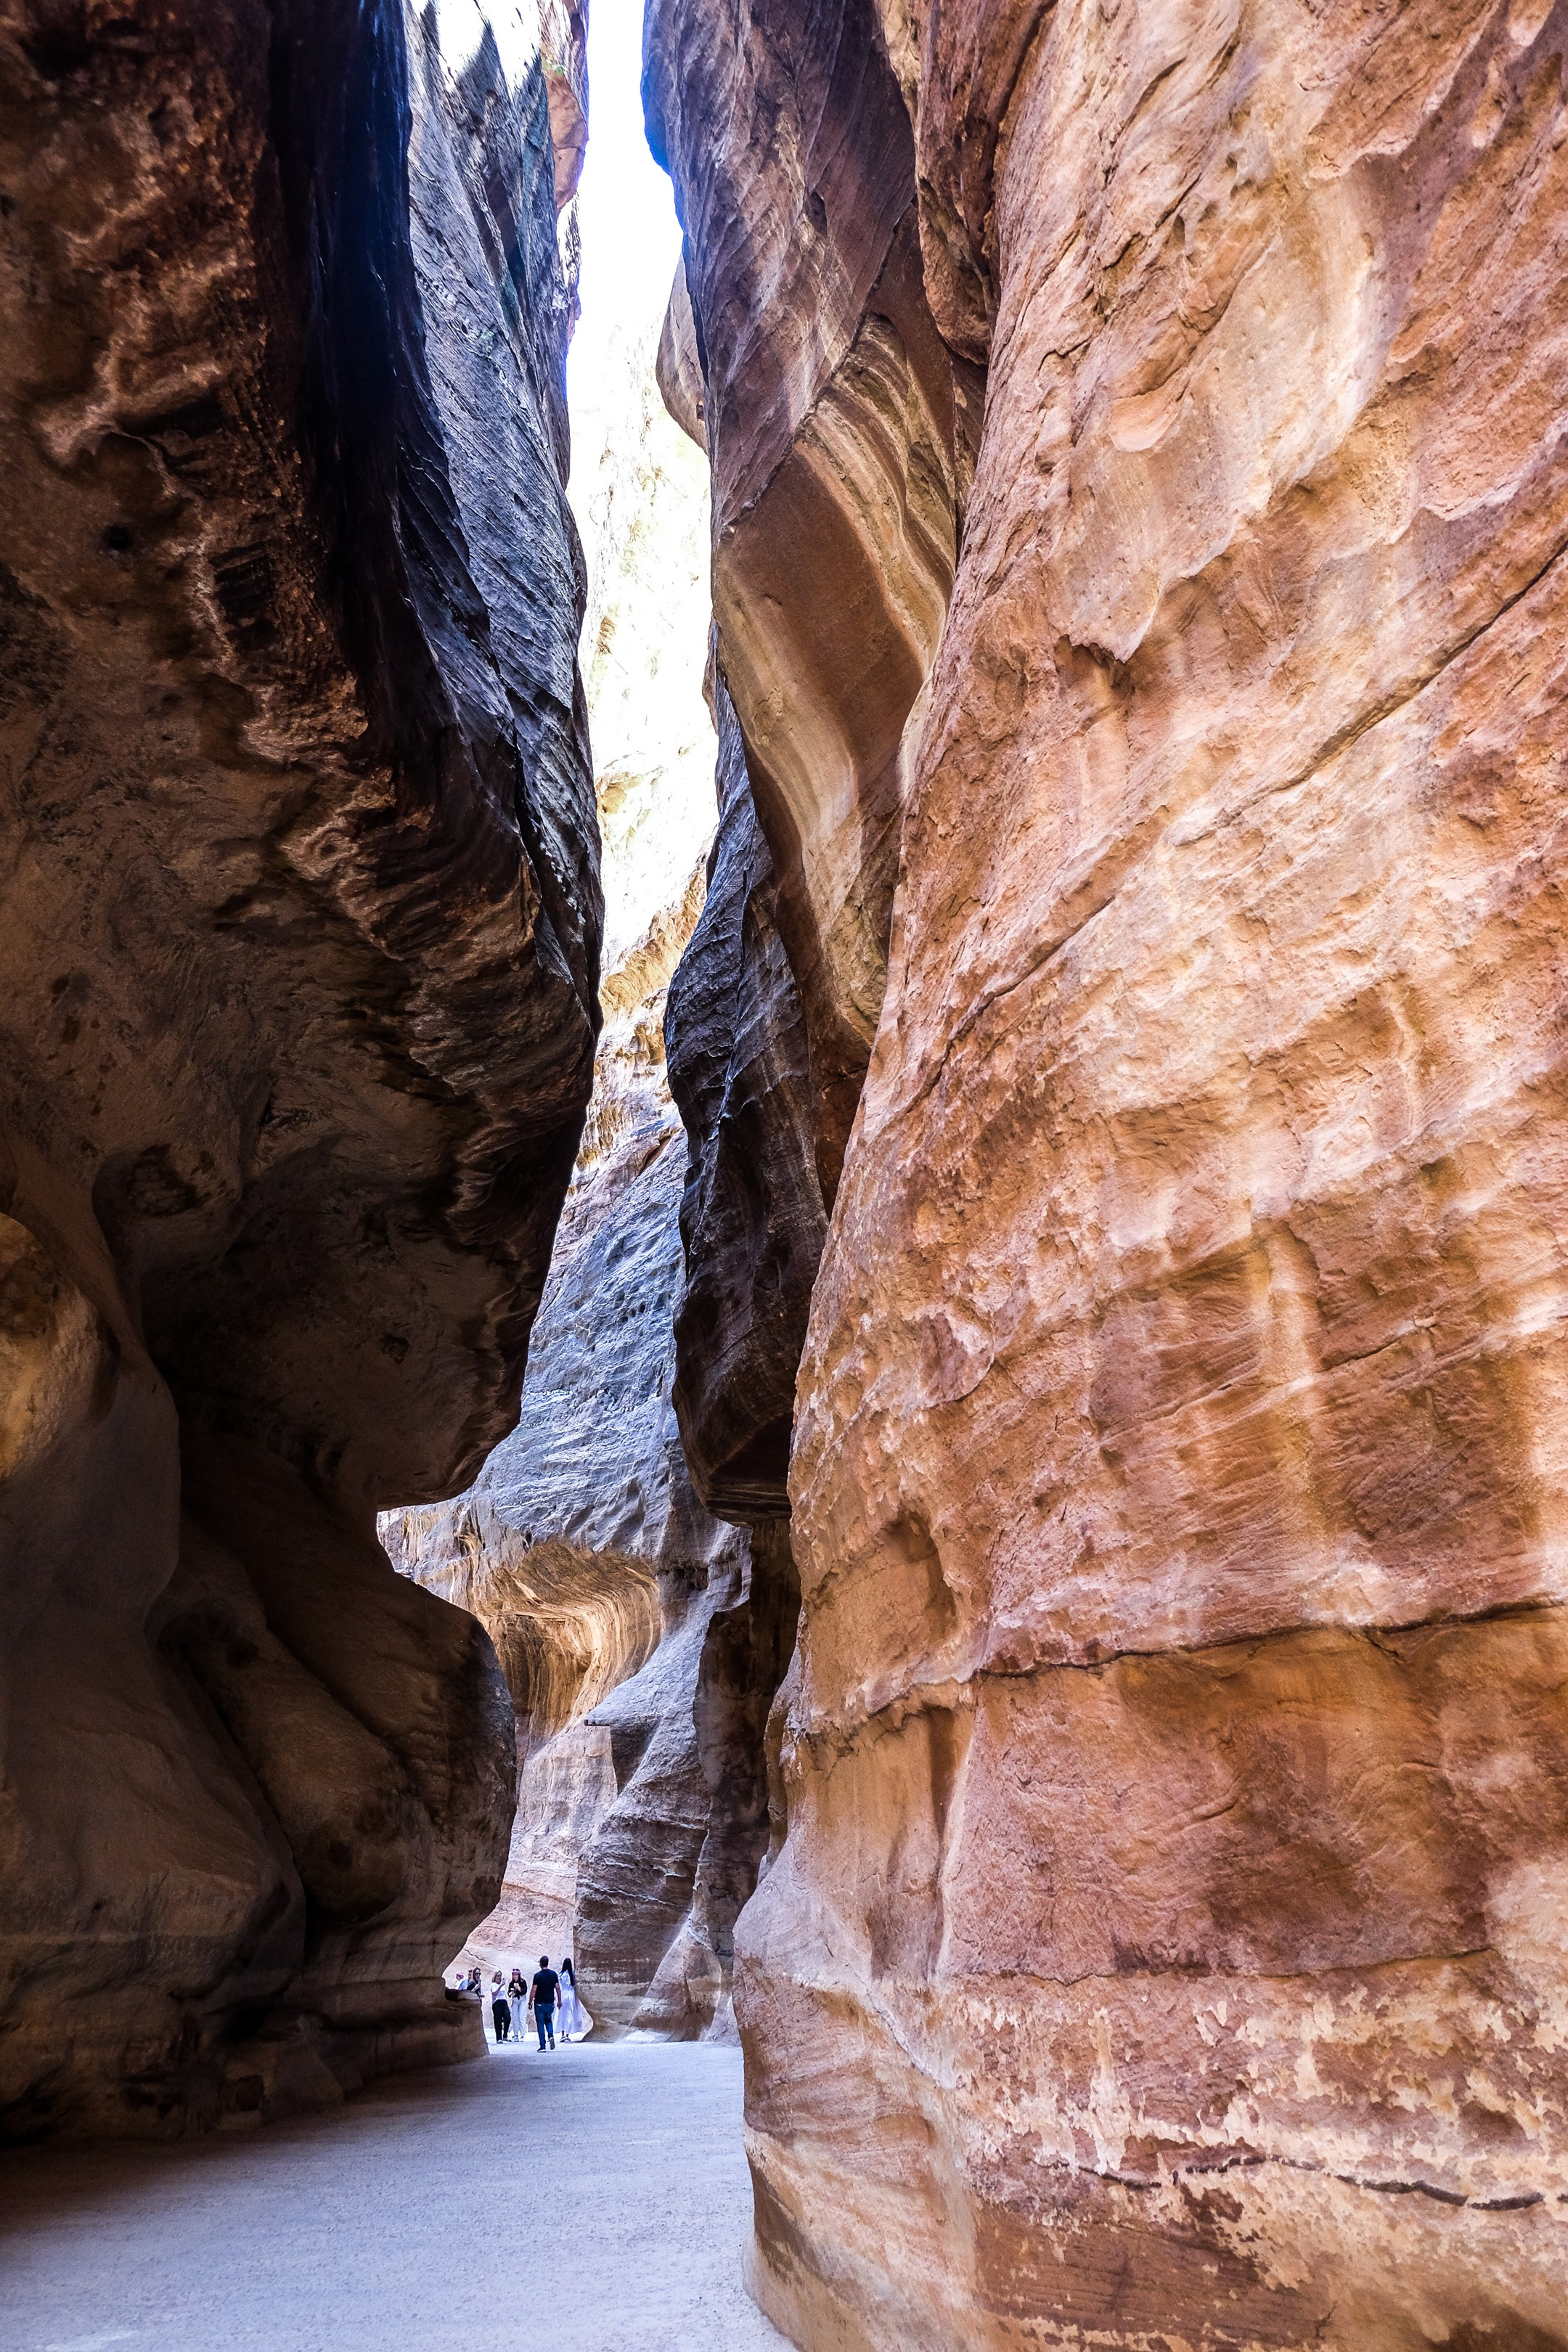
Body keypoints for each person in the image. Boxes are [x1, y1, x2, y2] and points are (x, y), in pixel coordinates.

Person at [556, 1955, 591, 2043]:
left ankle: (563, 2034)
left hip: (564, 1994)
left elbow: (559, 1986)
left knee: (562, 2015)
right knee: (570, 2014)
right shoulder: (573, 1974)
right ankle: (568, 2034)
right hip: (571, 1995)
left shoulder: (561, 1975)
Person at [529, 1954, 560, 2050]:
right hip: (550, 2002)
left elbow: (534, 1990)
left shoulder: (537, 1976)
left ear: (540, 1964)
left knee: (540, 2024)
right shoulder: (553, 1974)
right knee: (549, 2020)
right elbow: (558, 1988)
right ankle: (550, 2035)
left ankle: (543, 2046)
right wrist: (560, 2000)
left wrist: (530, 2002)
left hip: (539, 2003)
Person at [491, 1972, 510, 2043]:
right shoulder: (493, 1985)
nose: (499, 1977)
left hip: (504, 2002)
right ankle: (499, 2038)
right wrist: (500, 1986)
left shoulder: (503, 1985)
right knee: (498, 2020)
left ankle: (505, 2035)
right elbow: (495, 1993)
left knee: (508, 2018)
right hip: (497, 2003)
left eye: (500, 1976)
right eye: (498, 1976)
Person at [507, 1966, 526, 2042]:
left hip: (522, 2001)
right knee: (515, 2018)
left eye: (516, 1975)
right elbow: (509, 1993)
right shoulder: (511, 1983)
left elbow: (524, 1991)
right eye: (514, 1975)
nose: (515, 1976)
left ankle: (522, 2035)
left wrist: (518, 1988)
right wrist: (511, 1994)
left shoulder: (523, 1982)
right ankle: (516, 2035)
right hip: (515, 2001)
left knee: (521, 2017)